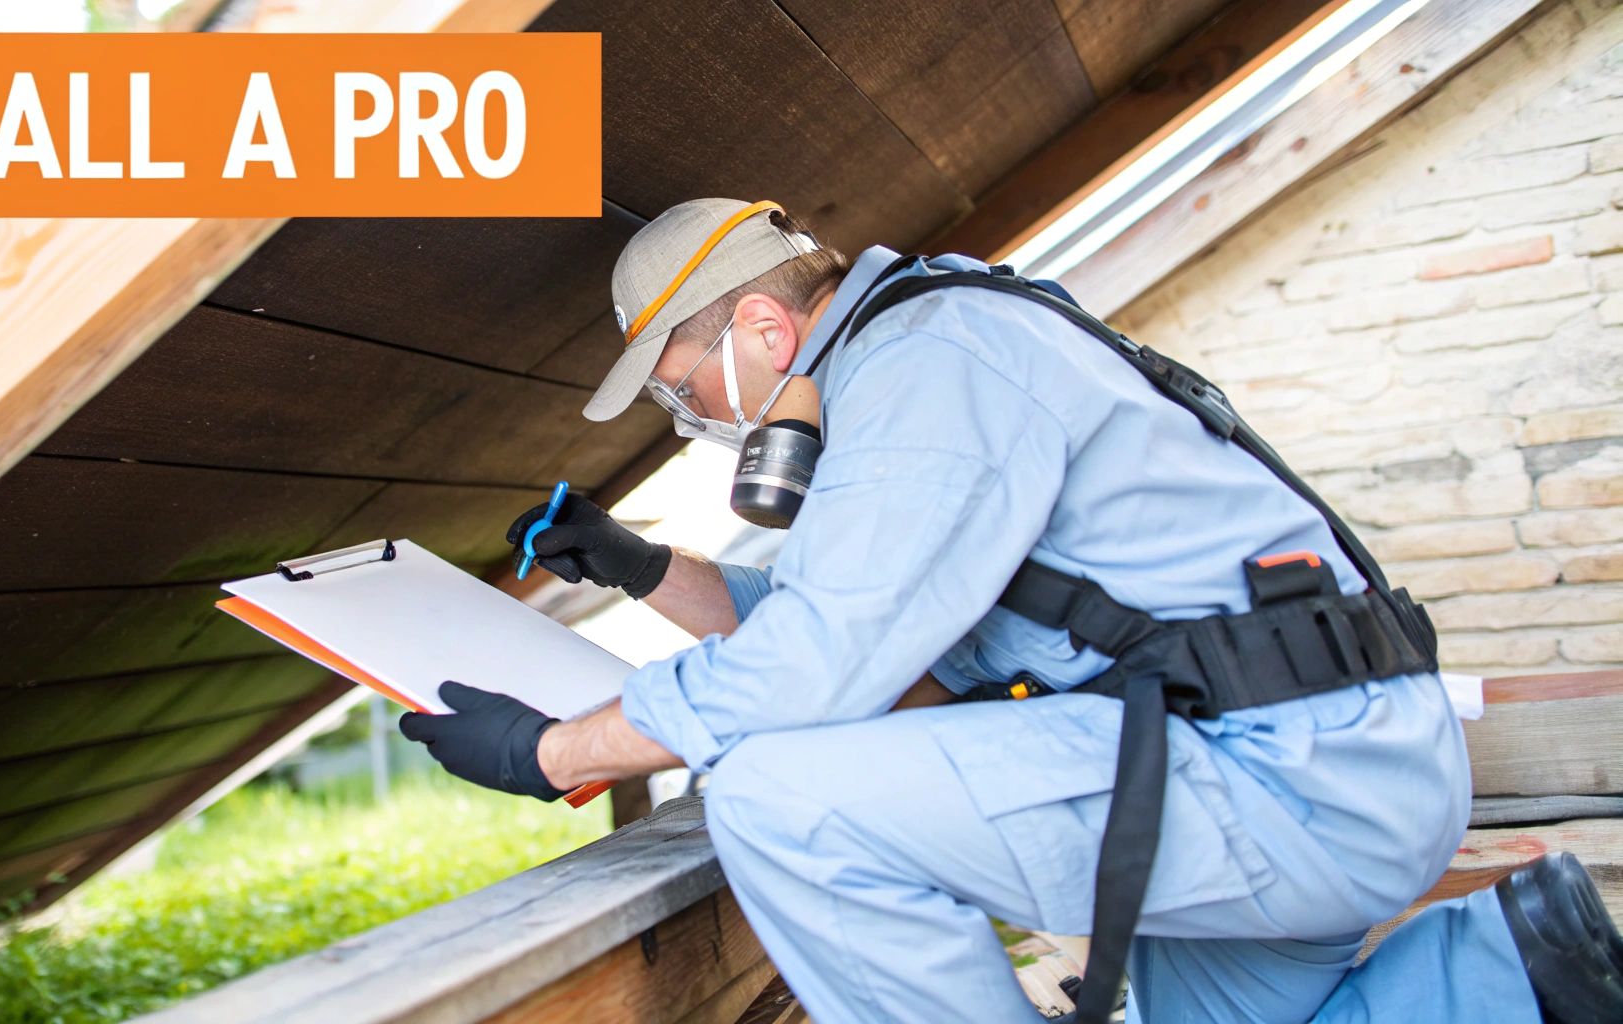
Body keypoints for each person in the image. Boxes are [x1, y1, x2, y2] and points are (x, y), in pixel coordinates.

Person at [397, 198, 1622, 1023]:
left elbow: (814, 669)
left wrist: (552, 750)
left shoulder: (930, 364)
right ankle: (1517, 966)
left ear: (763, 327)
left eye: (682, 391)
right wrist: (638, 564)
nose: (694, 422)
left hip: (1280, 778)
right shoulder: (916, 353)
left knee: (781, 796)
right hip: (1309, 761)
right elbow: (833, 624)